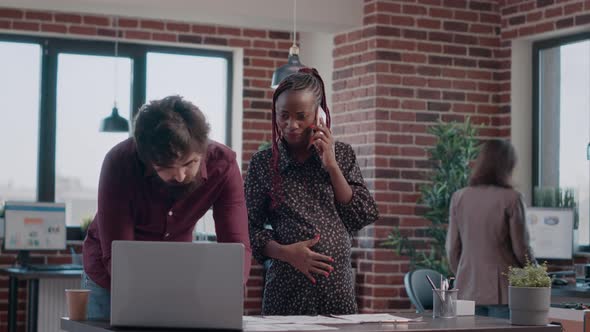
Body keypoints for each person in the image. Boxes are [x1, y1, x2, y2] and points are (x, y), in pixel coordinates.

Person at [82, 95, 252, 319]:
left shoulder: (223, 164)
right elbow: (119, 253)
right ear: (148, 159)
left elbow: (236, 245)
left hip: (178, 275)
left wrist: (226, 292)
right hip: (110, 277)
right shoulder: (120, 162)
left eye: (190, 163)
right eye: (167, 167)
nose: (180, 176)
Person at [245, 68, 379, 315]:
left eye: (301, 116)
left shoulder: (342, 154)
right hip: (286, 293)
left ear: (319, 116)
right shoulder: (263, 164)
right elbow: (248, 229)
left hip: (336, 292)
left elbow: (361, 215)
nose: (291, 124)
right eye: (283, 116)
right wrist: (286, 253)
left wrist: (331, 165)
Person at [446, 139, 535, 316]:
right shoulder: (512, 198)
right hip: (503, 291)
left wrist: (467, 273)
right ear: (508, 166)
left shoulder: (459, 197)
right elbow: (521, 249)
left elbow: (452, 249)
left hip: (466, 289)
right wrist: (536, 274)